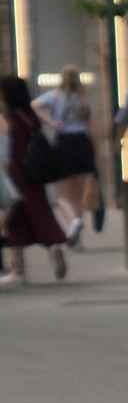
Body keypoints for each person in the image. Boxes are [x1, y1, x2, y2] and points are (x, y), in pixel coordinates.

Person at [2, 75, 69, 285]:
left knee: (15, 222)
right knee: (41, 213)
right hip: (33, 173)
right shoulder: (31, 117)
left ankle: (18, 270)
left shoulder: (7, 120)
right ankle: (54, 247)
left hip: (13, 173)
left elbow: (4, 151)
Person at [32, 67, 99, 241]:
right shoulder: (84, 101)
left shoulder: (53, 96)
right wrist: (95, 153)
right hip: (83, 145)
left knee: (62, 195)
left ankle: (74, 222)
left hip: (64, 144)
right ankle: (77, 235)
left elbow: (34, 107)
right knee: (77, 194)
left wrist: (52, 122)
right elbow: (93, 131)